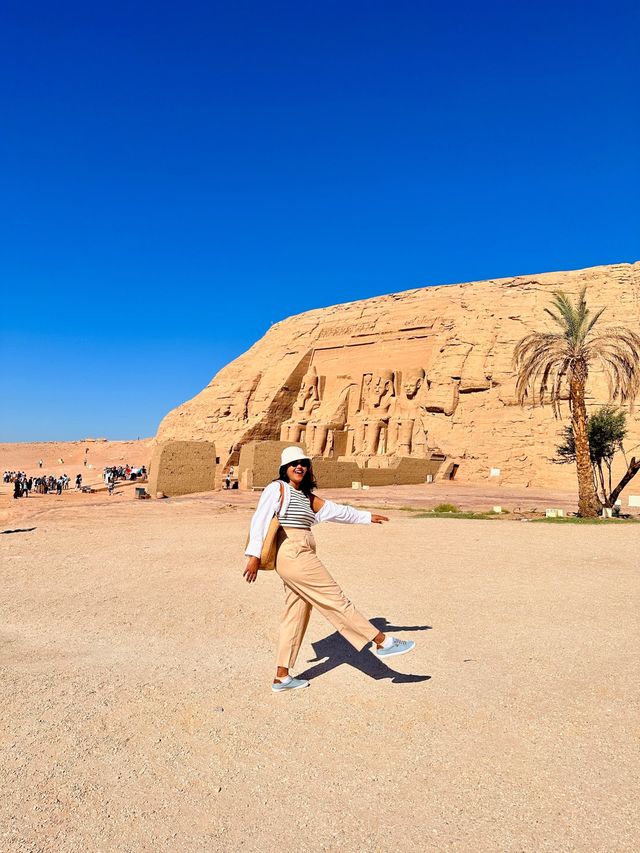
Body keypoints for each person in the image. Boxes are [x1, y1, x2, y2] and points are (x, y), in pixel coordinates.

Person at [244, 446, 415, 693]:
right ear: (284, 469)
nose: (299, 467)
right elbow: (259, 519)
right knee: (334, 598)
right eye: (293, 464)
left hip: (301, 551)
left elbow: (339, 512)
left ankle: (282, 677)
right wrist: (253, 555)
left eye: (303, 463)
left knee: (296, 613)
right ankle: (381, 641)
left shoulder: (307, 497)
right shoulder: (277, 489)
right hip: (293, 552)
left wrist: (368, 517)